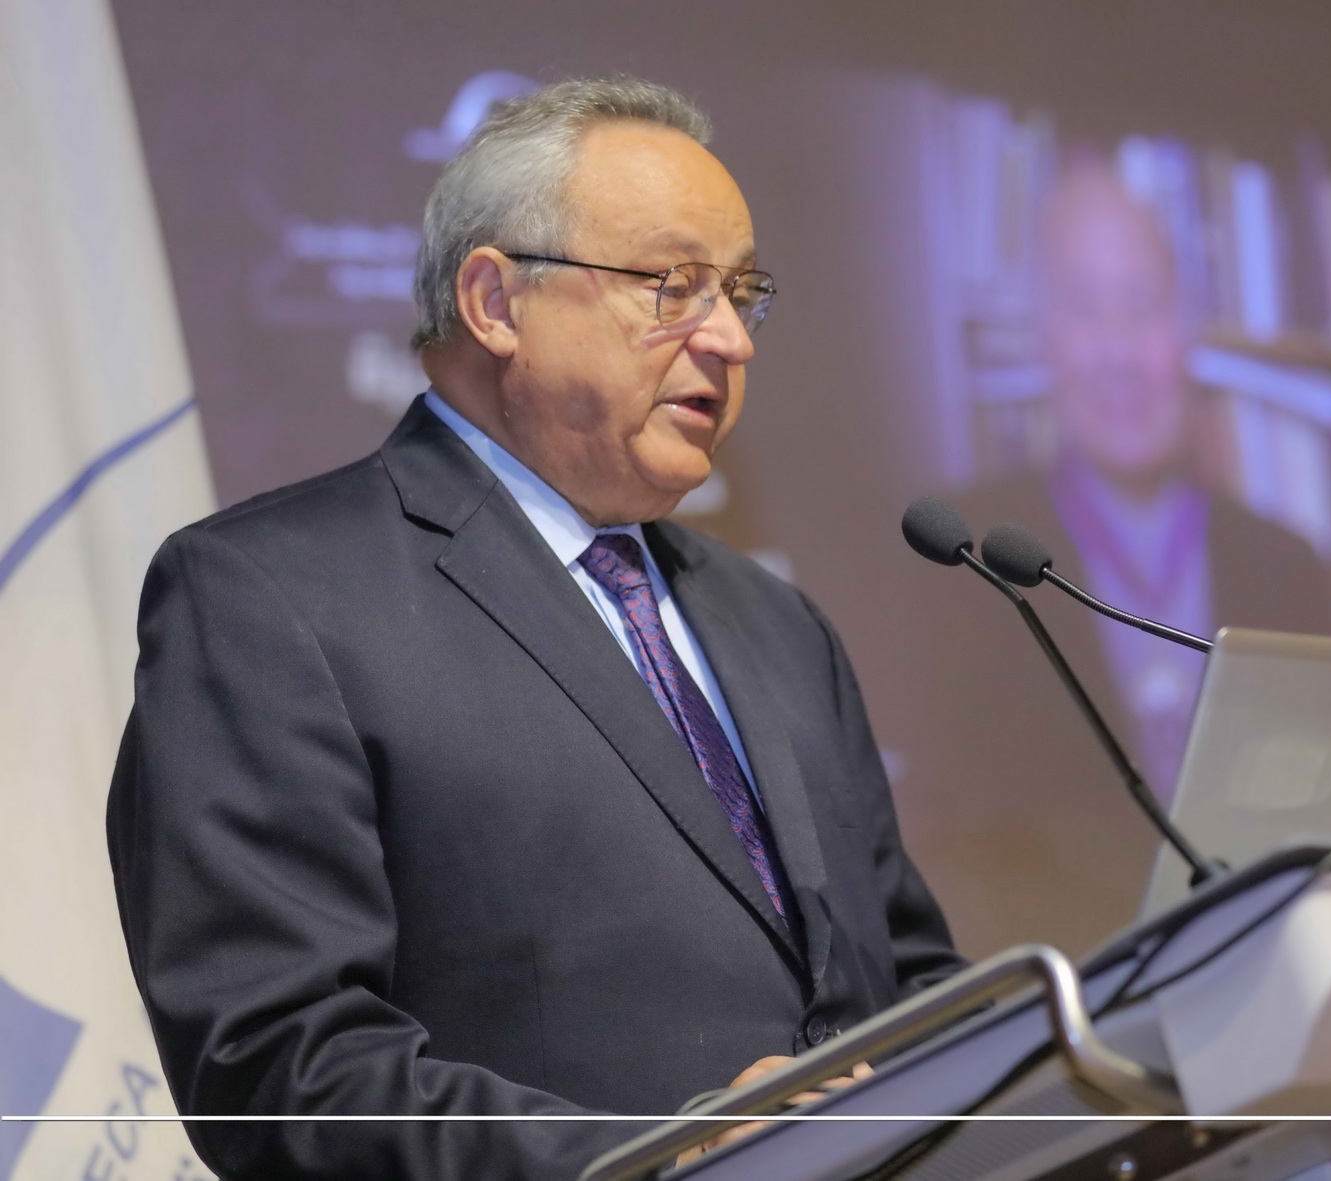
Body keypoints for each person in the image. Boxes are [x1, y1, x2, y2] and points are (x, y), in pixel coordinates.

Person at [107, 77, 963, 1179]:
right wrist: (666, 1158)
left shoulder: (777, 623)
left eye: (741, 292)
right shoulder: (267, 598)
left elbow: (904, 981)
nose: (729, 339)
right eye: (673, 285)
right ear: (495, 302)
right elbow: (278, 1068)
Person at [901, 156, 1331, 955]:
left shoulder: (1288, 567)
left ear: (1188, 331)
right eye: (1082, 308)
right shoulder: (965, 566)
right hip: (1057, 975)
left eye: (1142, 305)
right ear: (1041, 340)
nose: (1118, 352)